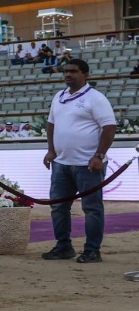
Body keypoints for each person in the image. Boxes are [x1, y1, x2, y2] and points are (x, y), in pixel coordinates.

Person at [42, 59, 116, 264]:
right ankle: (63, 246)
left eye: (73, 71)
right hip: (61, 163)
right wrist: (51, 150)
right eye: (66, 71)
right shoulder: (59, 96)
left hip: (87, 164)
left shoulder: (96, 98)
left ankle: (92, 250)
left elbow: (109, 128)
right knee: (58, 207)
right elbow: (51, 124)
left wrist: (99, 156)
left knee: (91, 208)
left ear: (86, 75)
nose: (68, 75)